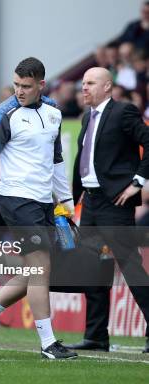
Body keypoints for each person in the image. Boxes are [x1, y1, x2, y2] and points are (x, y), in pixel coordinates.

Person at [0, 57, 78, 359]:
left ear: (41, 85)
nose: (19, 91)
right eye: (16, 84)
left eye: (26, 86)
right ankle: (48, 344)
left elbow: (56, 160)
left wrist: (66, 203)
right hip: (15, 200)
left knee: (35, 271)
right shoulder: (4, 113)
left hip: (45, 202)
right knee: (40, 268)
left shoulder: (54, 112)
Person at [63, 67, 149, 354]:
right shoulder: (87, 116)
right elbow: (82, 164)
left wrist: (137, 182)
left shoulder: (124, 112)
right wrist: (69, 201)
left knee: (130, 266)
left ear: (108, 87)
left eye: (90, 83)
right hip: (91, 205)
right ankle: (96, 336)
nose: (83, 88)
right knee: (93, 269)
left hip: (116, 204)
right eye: (82, 83)